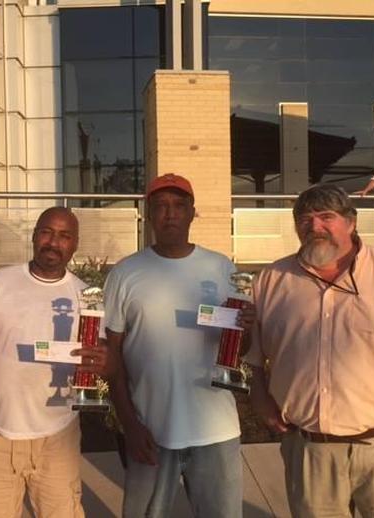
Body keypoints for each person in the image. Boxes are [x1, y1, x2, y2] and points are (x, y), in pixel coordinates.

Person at [248, 184, 374, 518]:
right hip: (309, 453)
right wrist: (260, 399)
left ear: (351, 222)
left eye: (326, 217)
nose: (314, 227)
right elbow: (254, 356)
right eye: (304, 219)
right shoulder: (272, 280)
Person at [0, 207, 107, 518]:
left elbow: (105, 361)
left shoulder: (87, 297)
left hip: (58, 436)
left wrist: (105, 364)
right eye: (46, 232)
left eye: (64, 236)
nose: (53, 242)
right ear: (34, 235)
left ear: (76, 244)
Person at [102, 173, 254, 518]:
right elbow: (113, 357)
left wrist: (245, 328)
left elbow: (238, 349)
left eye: (178, 205)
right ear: (149, 214)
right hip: (150, 429)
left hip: (215, 428)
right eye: (161, 206)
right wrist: (129, 423)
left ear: (192, 212)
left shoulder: (221, 268)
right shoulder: (125, 274)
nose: (170, 213)